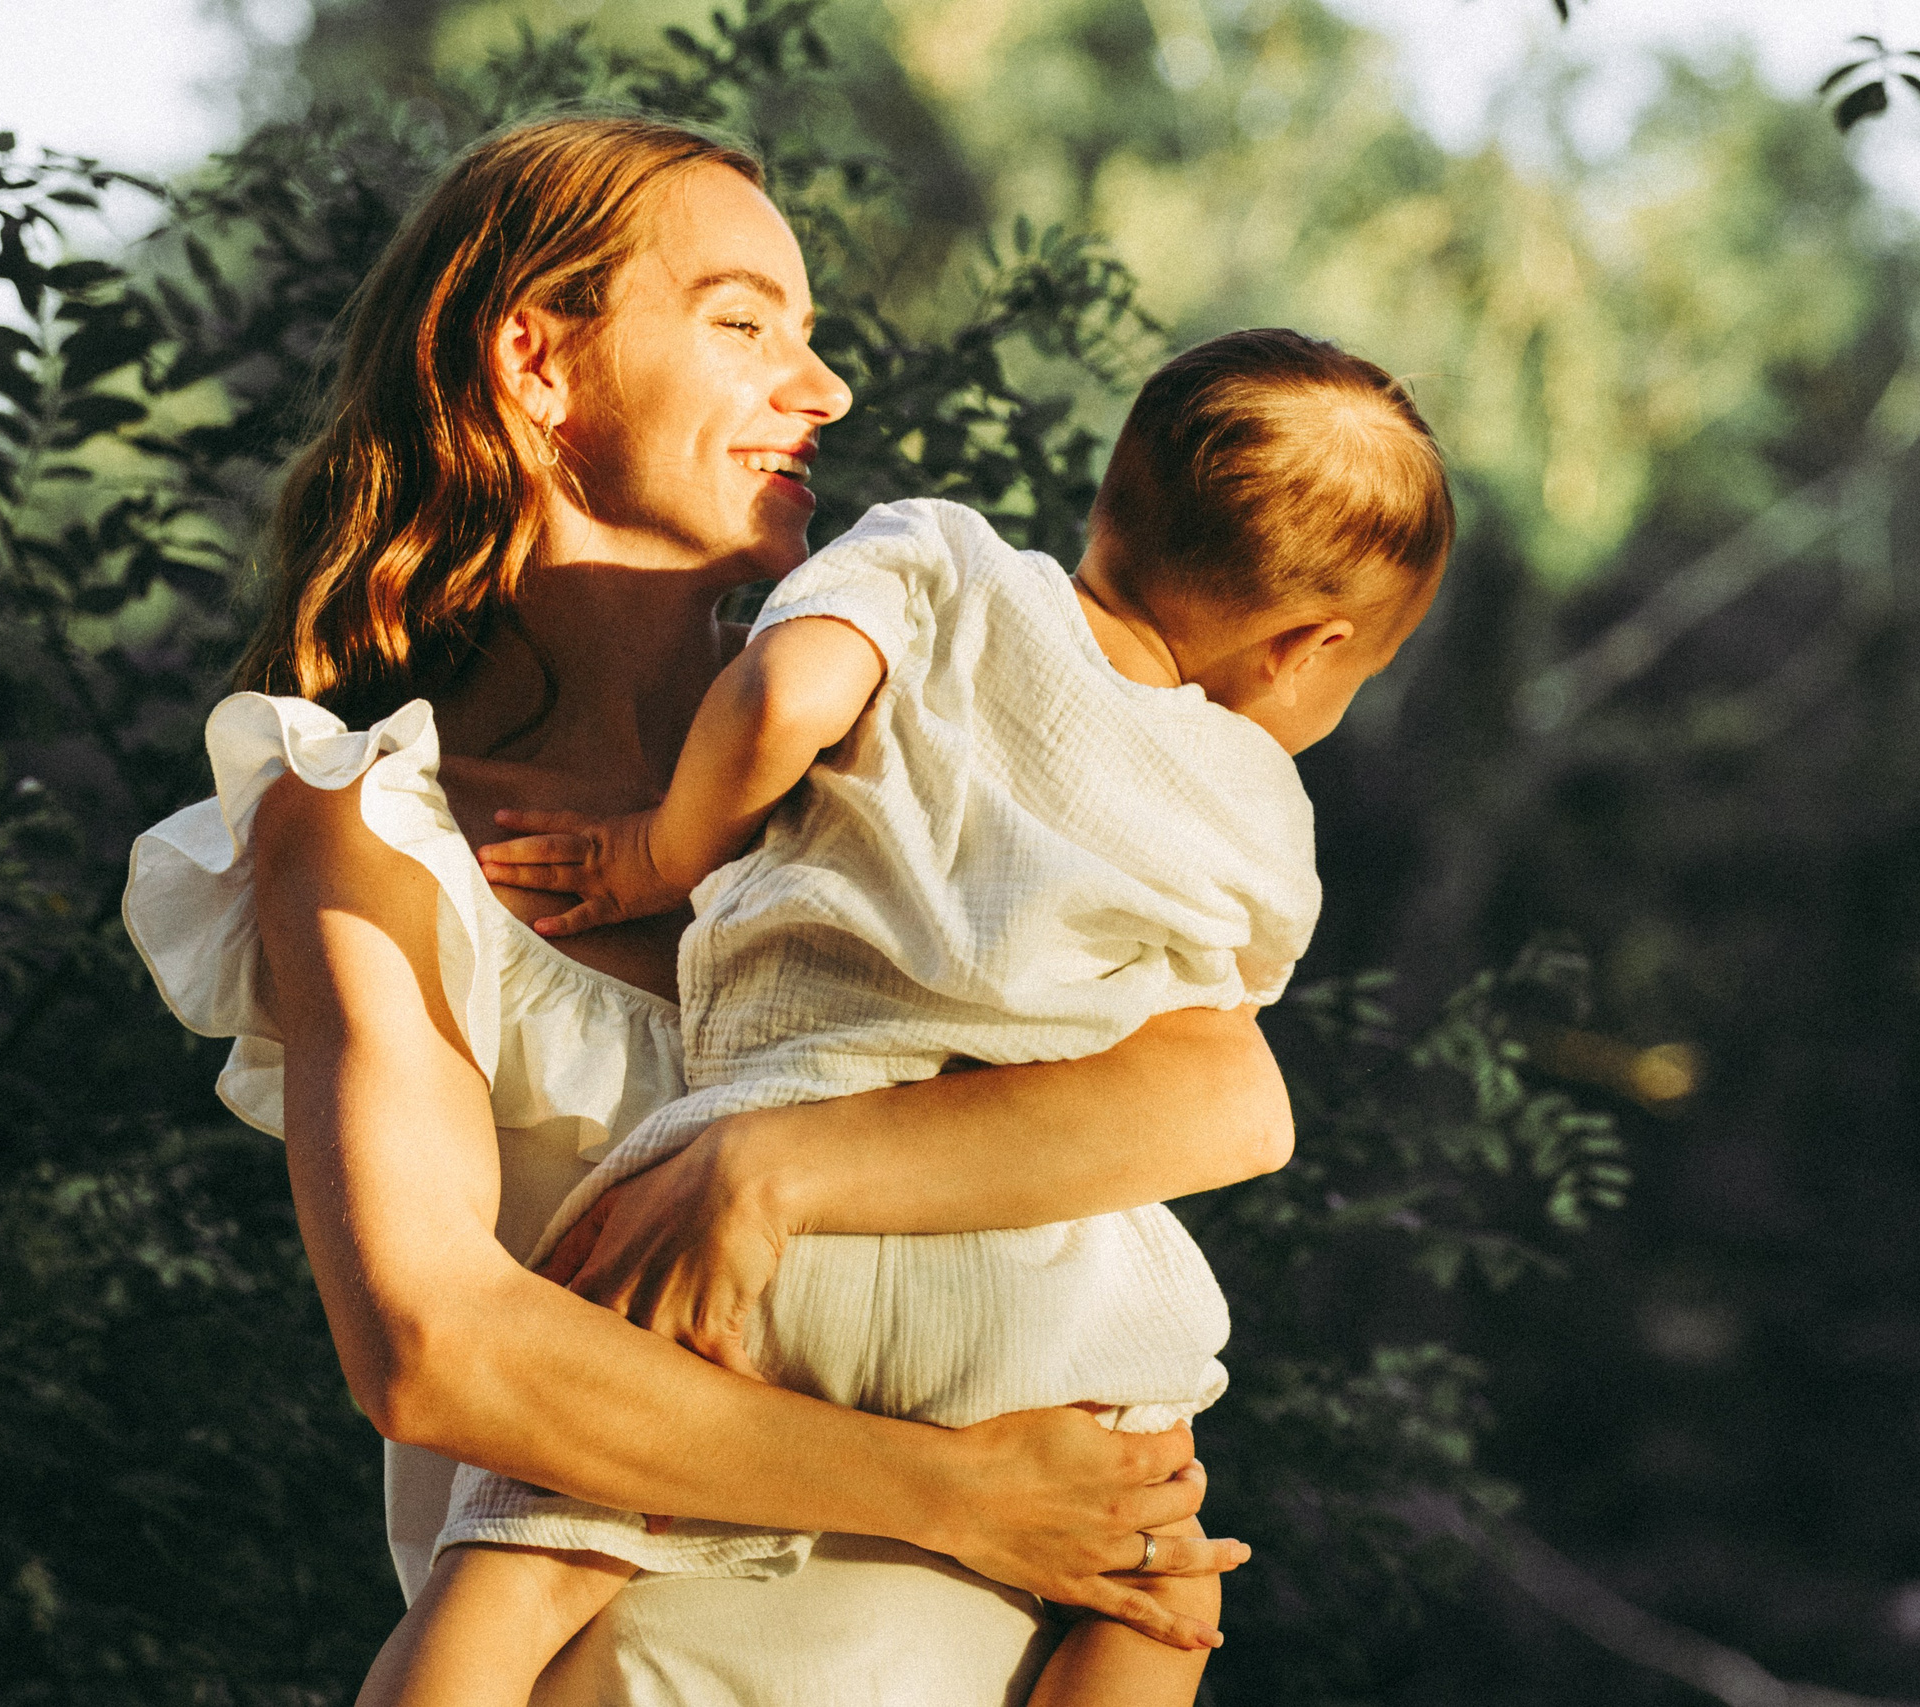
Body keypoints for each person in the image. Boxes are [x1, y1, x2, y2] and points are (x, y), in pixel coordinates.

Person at [122, 114, 1298, 1706]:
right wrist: (957, 1496)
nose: (820, 390)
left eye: (809, 337)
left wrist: (772, 1162)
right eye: (744, 323)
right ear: (537, 362)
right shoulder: (374, 831)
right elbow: (433, 1345)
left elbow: (1222, 1092)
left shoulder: (888, 760)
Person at [362, 329, 1454, 1707]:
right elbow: (1205, 1055)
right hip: (1034, 1280)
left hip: (740, 1216)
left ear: (1116, 495)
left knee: (519, 1568)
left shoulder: (947, 563)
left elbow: (778, 696)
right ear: (1311, 649)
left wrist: (658, 853)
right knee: (1158, 1579)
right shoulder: (1253, 801)